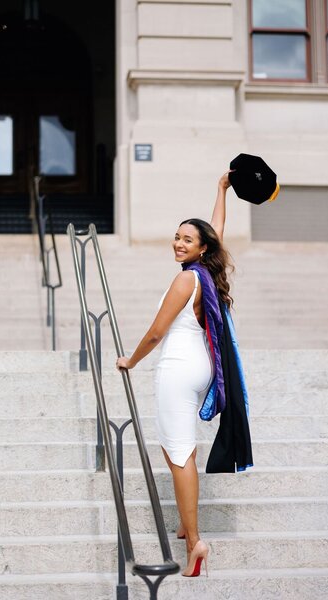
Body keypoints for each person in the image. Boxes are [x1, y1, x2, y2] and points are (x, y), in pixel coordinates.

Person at [116, 171, 251, 577]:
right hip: (202, 368)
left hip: (177, 369)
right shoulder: (207, 274)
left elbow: (157, 332)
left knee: (179, 454)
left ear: (200, 248)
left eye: (187, 239)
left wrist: (130, 360)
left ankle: (195, 542)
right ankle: (184, 522)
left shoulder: (185, 280)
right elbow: (218, 231)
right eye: (177, 237)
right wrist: (220, 191)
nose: (178, 243)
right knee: (177, 449)